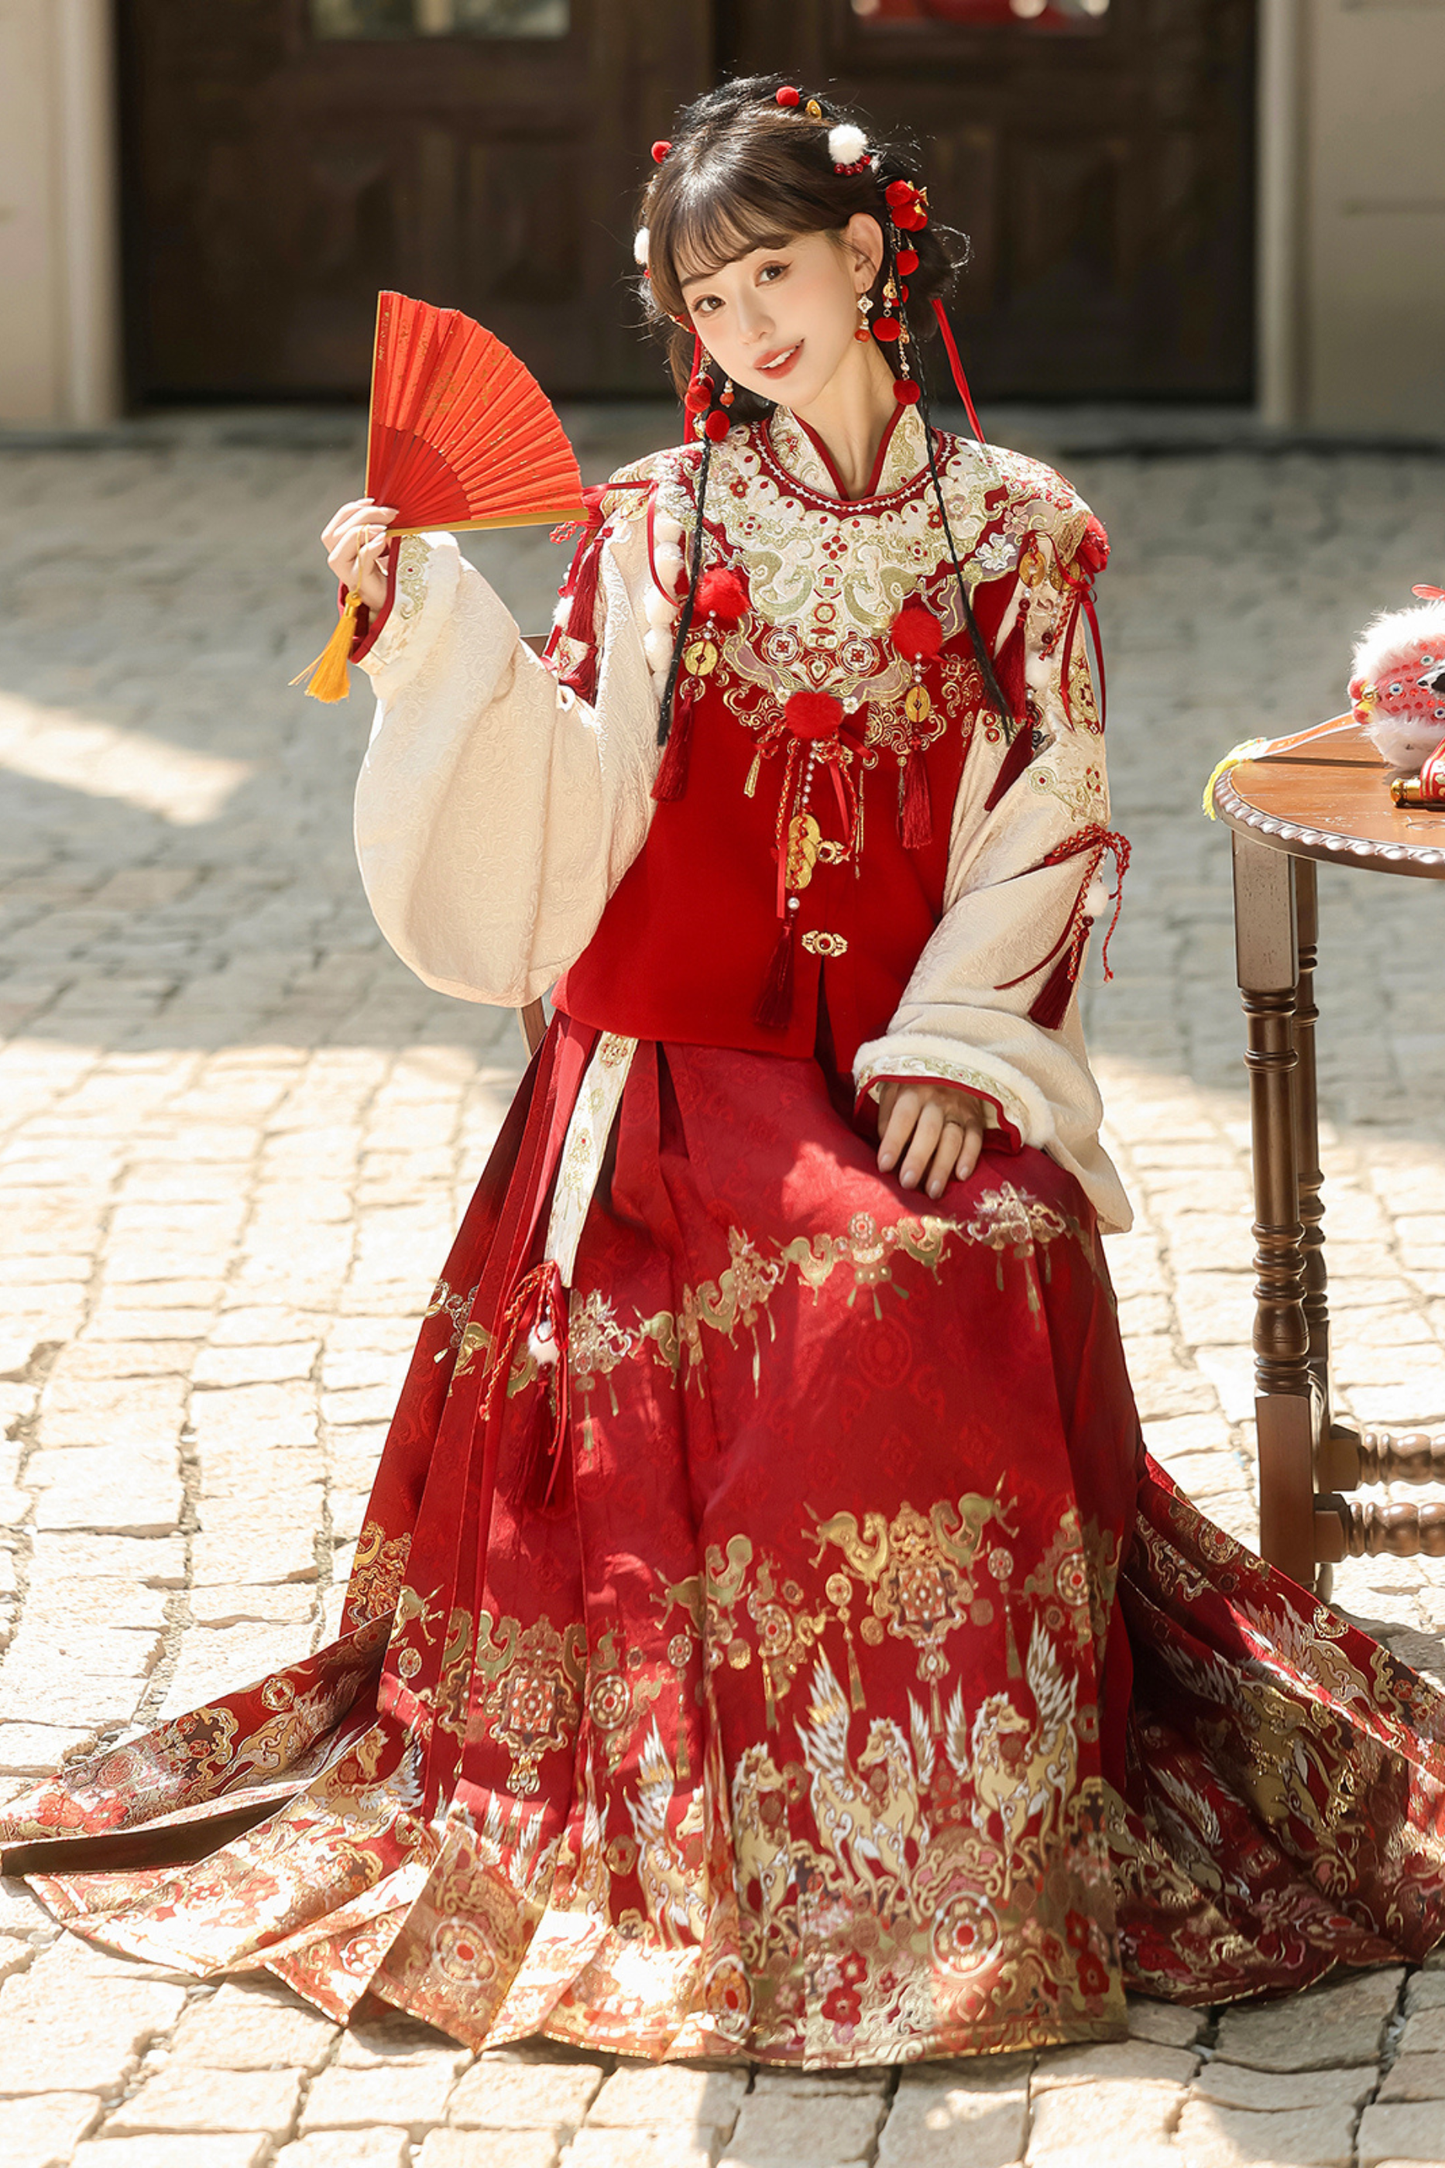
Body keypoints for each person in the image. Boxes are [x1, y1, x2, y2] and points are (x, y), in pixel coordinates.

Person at [6, 76, 1445, 2068]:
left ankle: (971, 1833)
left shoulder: (1013, 529)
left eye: (772, 269)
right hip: (677, 1065)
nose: (747, 325)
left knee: (986, 1239)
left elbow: (1050, 799)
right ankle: (768, 1814)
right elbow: (577, 780)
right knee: (858, 1281)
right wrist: (432, 625)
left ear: (869, 257)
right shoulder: (657, 526)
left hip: (905, 1042)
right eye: (704, 298)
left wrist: (959, 1049)